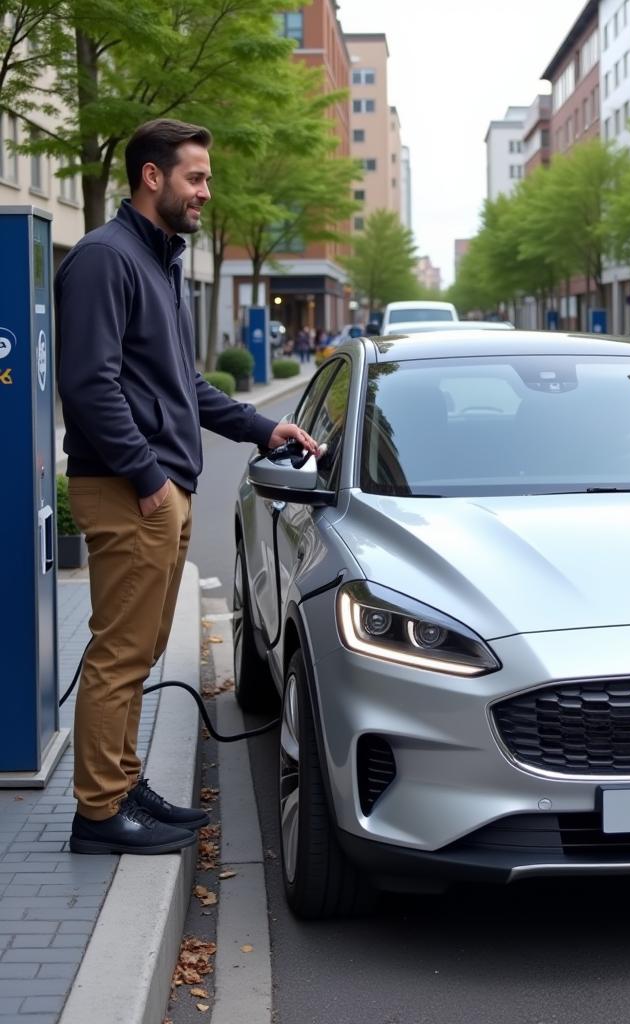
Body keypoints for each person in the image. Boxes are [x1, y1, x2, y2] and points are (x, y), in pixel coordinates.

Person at [56, 119, 318, 856]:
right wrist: (147, 481)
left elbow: (183, 385)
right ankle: (99, 813)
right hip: (129, 490)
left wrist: (262, 429)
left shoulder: (160, 262)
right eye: (196, 178)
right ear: (151, 177)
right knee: (119, 654)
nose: (206, 191)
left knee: (136, 655)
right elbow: (89, 384)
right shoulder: (105, 260)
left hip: (158, 490)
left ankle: (122, 782)